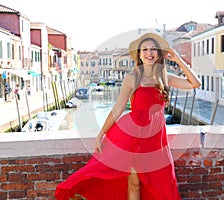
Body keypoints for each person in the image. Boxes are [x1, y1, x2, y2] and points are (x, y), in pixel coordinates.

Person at [55, 32, 201, 199]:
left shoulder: (164, 77)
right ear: (139, 54)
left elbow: (195, 83)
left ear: (159, 54)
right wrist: (101, 134)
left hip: (156, 140)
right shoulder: (132, 78)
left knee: (163, 182)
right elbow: (117, 109)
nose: (149, 53)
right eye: (144, 49)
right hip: (133, 137)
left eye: (153, 49)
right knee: (134, 182)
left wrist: (178, 60)